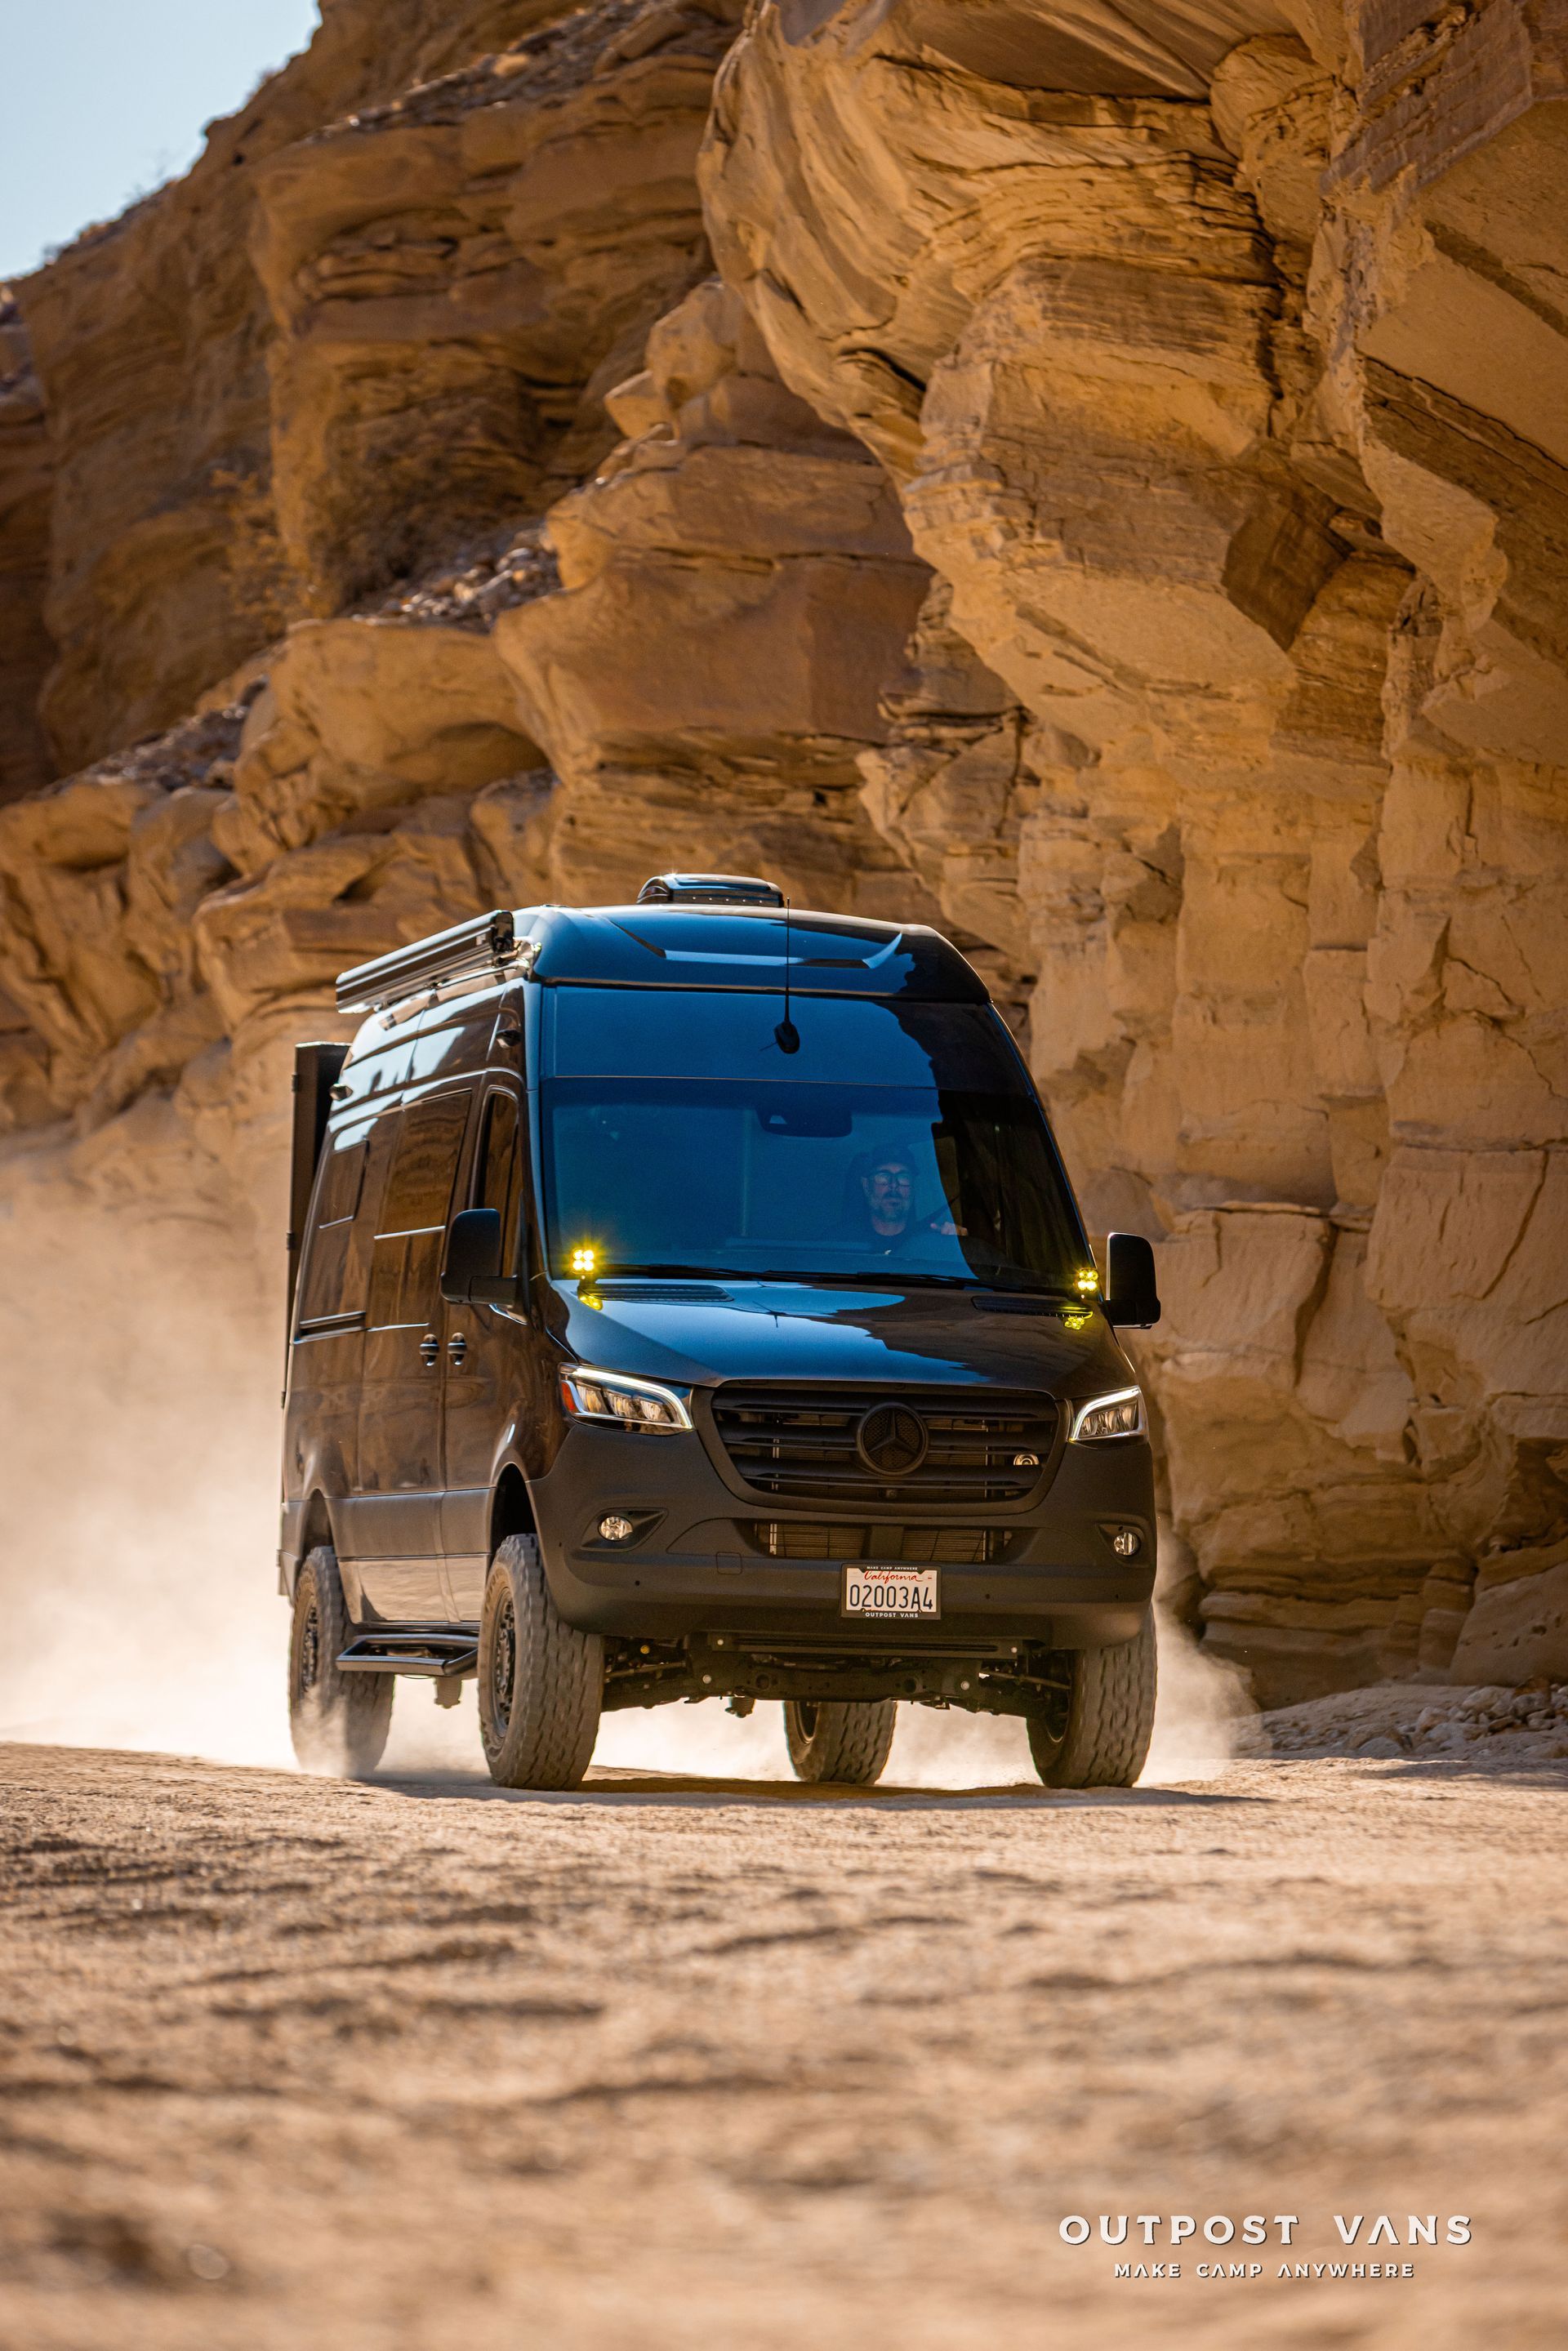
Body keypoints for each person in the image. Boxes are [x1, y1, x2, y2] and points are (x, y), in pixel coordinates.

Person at [842, 1142, 963, 1254]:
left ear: (914, 1187)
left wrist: (961, 1244)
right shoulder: (840, 1242)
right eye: (884, 1176)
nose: (894, 1185)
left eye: (903, 1177)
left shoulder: (934, 1243)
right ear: (866, 1185)